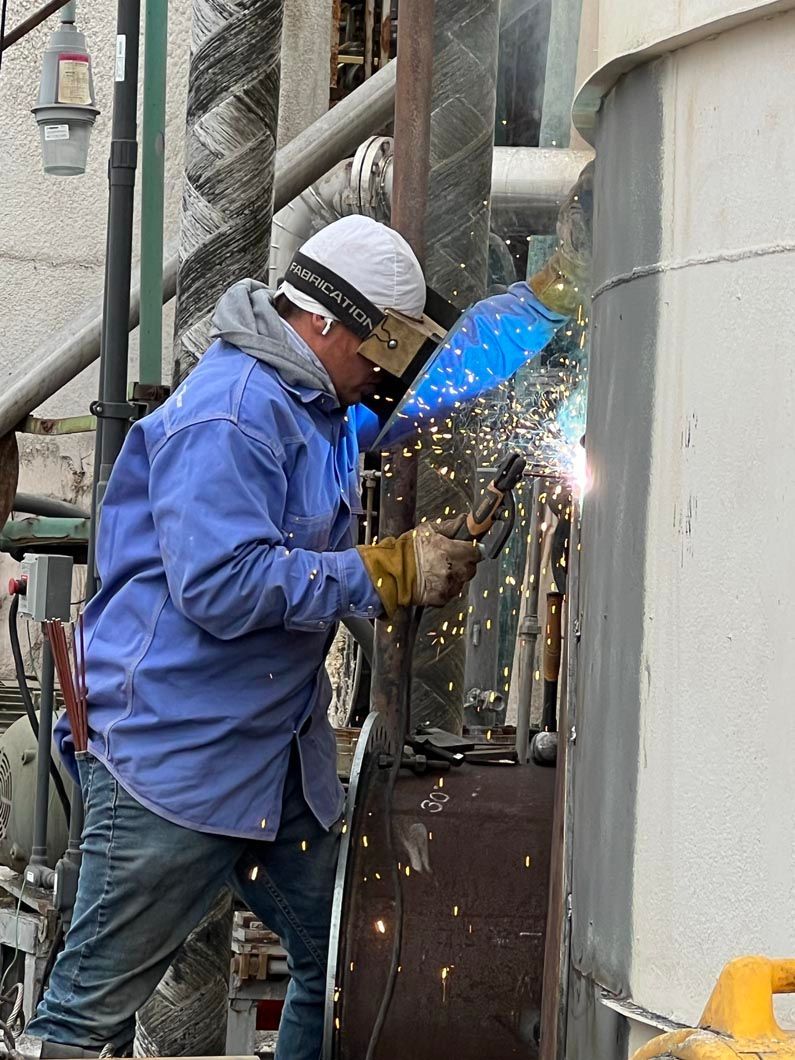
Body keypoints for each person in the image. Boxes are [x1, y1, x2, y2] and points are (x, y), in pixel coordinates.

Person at [23, 216, 481, 1060]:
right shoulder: (234, 415)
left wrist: (535, 322)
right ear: (325, 324)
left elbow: (414, 405)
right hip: (173, 765)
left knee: (344, 960)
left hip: (268, 768)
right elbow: (220, 585)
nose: (380, 375)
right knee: (86, 1020)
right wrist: (387, 571)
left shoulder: (320, 408)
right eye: (375, 351)